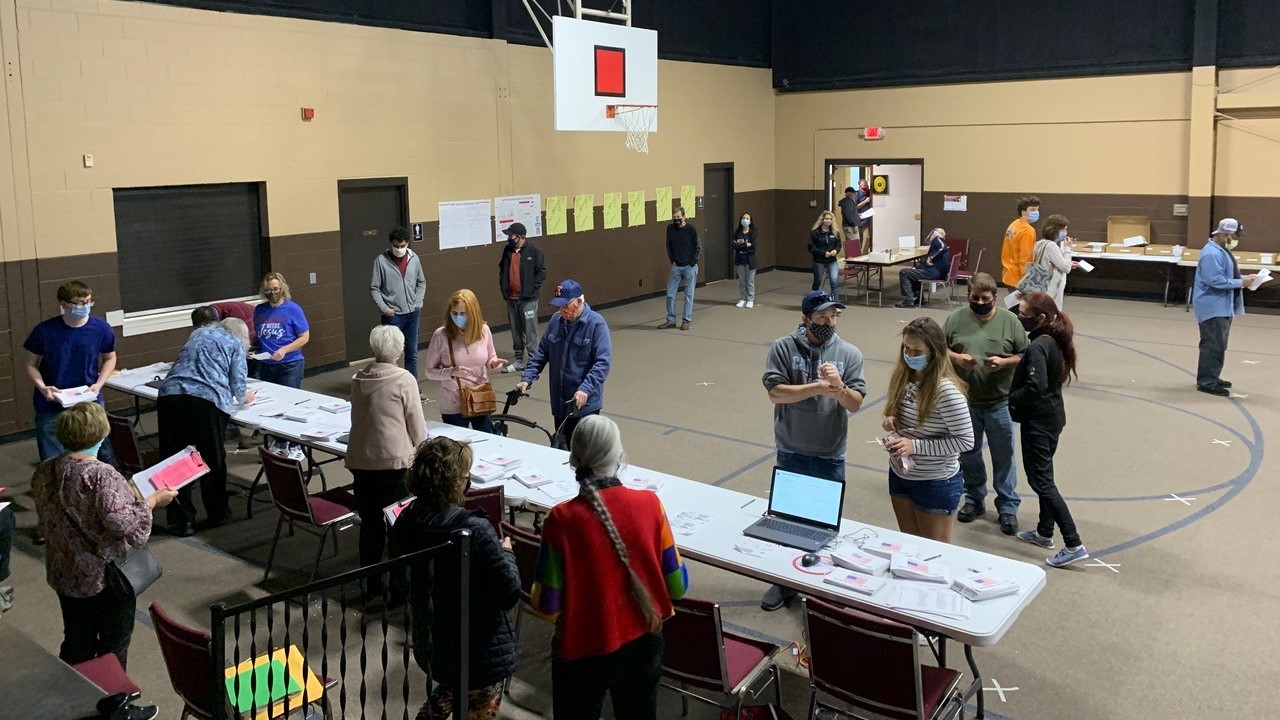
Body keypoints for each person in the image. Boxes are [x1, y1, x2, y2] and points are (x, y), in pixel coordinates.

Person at [531, 415, 689, 720]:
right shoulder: (650, 505)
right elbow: (678, 586)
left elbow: (547, 605)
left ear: (574, 460)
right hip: (644, 646)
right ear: (619, 457)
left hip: (581, 654)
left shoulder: (560, 519)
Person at [31, 402, 176, 668]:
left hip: (65, 569)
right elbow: (121, 523)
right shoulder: (102, 475)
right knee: (114, 642)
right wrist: (153, 501)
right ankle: (114, 703)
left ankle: (75, 700)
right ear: (100, 434)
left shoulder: (46, 470)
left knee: (76, 639)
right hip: (103, 577)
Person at [391, 436, 521, 720]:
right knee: (474, 694)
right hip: (479, 652)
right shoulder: (475, 530)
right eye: (465, 476)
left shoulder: (405, 520)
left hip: (433, 642)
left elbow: (400, 580)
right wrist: (508, 553)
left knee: (453, 684)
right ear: (455, 482)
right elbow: (510, 592)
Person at [759, 290, 867, 611]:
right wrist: (817, 387)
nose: (828, 322)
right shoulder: (782, 347)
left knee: (823, 526)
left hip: (829, 451)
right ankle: (783, 581)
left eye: (834, 316)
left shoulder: (849, 354)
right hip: (791, 448)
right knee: (787, 520)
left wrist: (839, 389)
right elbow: (776, 393)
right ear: (805, 319)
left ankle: (818, 586)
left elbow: (856, 403)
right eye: (821, 317)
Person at [944, 273, 1027, 535]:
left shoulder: (1010, 321)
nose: (979, 302)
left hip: (999, 402)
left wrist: (1004, 363)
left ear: (994, 298)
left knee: (1004, 456)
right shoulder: (955, 320)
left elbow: (1024, 354)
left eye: (985, 299)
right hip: (965, 401)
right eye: (974, 298)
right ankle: (974, 500)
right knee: (969, 454)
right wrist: (957, 358)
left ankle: (1007, 507)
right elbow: (939, 349)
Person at [1010, 292, 1089, 567]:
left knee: (1041, 481)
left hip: (1039, 422)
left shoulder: (1038, 347)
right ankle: (1045, 532)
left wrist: (1010, 399)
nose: (1020, 317)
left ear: (1040, 318)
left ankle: (1073, 542)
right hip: (1053, 418)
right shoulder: (1052, 339)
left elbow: (1036, 386)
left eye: (1023, 313)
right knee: (1046, 476)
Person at [347, 324, 426, 597]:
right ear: (399, 350)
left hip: (361, 462)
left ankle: (370, 586)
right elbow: (416, 423)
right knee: (398, 528)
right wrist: (423, 446)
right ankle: (399, 590)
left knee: (370, 526)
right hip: (395, 466)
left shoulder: (359, 378)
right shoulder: (404, 379)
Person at [157, 317, 254, 537]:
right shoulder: (235, 344)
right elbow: (238, 384)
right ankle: (217, 513)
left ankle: (183, 521)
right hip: (206, 400)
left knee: (174, 462)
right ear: (242, 336)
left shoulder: (198, 333)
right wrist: (245, 396)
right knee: (212, 459)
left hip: (170, 395)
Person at [881, 318, 974, 543]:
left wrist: (915, 445)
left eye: (917, 351)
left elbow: (966, 441)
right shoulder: (905, 377)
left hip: (935, 482)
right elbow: (900, 413)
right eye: (906, 348)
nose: (910, 355)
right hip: (902, 475)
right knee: (910, 547)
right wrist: (891, 418)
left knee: (933, 555)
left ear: (934, 352)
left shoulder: (946, 392)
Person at [23, 280, 118, 466]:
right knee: (52, 460)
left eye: (88, 302)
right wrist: (42, 388)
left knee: (101, 453)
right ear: (63, 303)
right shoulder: (44, 331)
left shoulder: (101, 329)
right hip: (52, 403)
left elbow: (110, 358)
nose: (85, 306)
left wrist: (99, 384)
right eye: (79, 303)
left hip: (89, 401)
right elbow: (30, 365)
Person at [517, 280, 611, 447]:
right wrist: (527, 378)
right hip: (560, 403)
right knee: (561, 449)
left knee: (583, 453)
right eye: (559, 307)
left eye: (566, 307)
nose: (562, 311)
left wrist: (585, 389)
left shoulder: (597, 324)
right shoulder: (556, 321)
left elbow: (602, 363)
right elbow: (542, 353)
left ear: (579, 302)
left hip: (584, 406)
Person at [1193, 218, 1267, 396]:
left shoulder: (1221, 250)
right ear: (1224, 234)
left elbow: (1224, 274)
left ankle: (1211, 375)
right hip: (1212, 307)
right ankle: (1206, 382)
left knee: (1219, 345)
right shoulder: (1211, 253)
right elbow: (1215, 280)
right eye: (1234, 236)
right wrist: (1241, 282)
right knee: (1212, 344)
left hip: (1222, 306)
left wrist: (1244, 277)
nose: (1236, 240)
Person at [425, 289, 507, 433]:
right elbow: (429, 372)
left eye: (463, 314)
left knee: (487, 442)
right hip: (453, 403)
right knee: (457, 450)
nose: (458, 317)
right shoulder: (441, 335)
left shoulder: (484, 331)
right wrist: (452, 372)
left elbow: (490, 358)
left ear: (473, 313)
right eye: (454, 313)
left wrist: (493, 363)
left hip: (480, 399)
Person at [253, 272, 310, 458]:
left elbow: (304, 337)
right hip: (266, 364)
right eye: (268, 290)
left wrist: (285, 350)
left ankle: (295, 445)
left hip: (290, 364)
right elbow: (260, 336)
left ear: (283, 288)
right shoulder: (260, 310)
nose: (272, 293)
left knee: (291, 406)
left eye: (276, 289)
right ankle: (279, 443)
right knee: (273, 407)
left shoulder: (293, 309)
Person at [372, 227, 427, 378]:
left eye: (402, 246)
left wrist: (418, 303)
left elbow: (421, 282)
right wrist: (385, 308)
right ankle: (389, 383)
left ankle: (412, 385)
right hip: (392, 315)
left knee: (412, 352)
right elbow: (375, 289)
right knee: (388, 353)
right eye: (396, 246)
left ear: (407, 243)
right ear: (391, 244)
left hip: (412, 313)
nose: (399, 249)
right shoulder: (381, 261)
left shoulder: (414, 259)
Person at [497, 222, 547, 373]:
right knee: (516, 331)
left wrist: (531, 289)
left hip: (528, 300)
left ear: (519, 237)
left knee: (530, 331)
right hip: (512, 299)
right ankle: (519, 361)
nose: (509, 238)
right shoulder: (507, 251)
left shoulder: (534, 251)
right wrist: (504, 288)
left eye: (511, 235)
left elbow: (542, 272)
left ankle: (534, 362)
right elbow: (502, 271)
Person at [658, 207, 701, 331]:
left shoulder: (691, 229)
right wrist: (673, 260)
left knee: (688, 294)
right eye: (674, 217)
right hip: (676, 266)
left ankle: (686, 321)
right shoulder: (670, 228)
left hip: (690, 266)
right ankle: (670, 320)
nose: (676, 219)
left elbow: (699, 247)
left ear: (684, 217)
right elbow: (668, 245)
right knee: (670, 294)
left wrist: (693, 262)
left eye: (678, 217)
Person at [1030, 214, 1079, 308]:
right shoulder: (1052, 246)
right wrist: (1067, 249)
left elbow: (1055, 262)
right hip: (1051, 285)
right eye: (1063, 229)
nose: (1065, 233)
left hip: (1040, 281)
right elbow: (1066, 268)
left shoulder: (1039, 243)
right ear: (1055, 230)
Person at [895, 227, 952, 308]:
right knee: (915, 272)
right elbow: (927, 264)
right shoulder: (938, 243)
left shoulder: (937, 239)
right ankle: (919, 299)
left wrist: (930, 257)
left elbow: (942, 247)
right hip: (939, 272)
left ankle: (908, 300)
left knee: (904, 272)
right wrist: (917, 268)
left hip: (934, 273)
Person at [1000, 196, 1041, 291]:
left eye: (1037, 210)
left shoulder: (1014, 224)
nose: (1036, 212)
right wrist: (1027, 281)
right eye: (1033, 210)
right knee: (1021, 305)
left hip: (1008, 273)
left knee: (1012, 304)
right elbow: (1026, 259)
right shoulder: (1028, 231)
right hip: (1019, 277)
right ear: (1023, 212)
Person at [807, 210, 843, 293]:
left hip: (832, 261)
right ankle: (815, 299)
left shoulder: (835, 232)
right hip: (819, 261)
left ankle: (834, 302)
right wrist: (823, 253)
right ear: (822, 220)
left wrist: (835, 251)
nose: (828, 221)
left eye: (830, 219)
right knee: (817, 281)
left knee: (834, 282)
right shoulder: (815, 233)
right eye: (826, 219)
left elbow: (838, 245)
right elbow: (811, 248)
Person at [732, 212, 758, 308]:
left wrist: (740, 246)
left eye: (747, 218)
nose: (745, 220)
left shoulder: (753, 233)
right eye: (743, 218)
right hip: (740, 260)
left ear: (750, 221)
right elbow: (734, 245)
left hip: (750, 261)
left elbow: (753, 247)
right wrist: (744, 245)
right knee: (742, 282)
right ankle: (742, 299)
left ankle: (750, 299)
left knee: (750, 282)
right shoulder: (737, 232)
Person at [838, 186, 860, 253]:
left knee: (850, 242)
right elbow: (848, 215)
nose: (855, 194)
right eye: (854, 193)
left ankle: (850, 258)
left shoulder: (846, 202)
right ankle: (853, 259)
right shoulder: (849, 202)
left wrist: (856, 215)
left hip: (847, 225)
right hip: (850, 226)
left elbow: (849, 213)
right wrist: (854, 225)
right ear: (850, 193)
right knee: (854, 244)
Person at [855, 178, 873, 253]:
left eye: (867, 185)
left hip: (867, 220)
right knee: (856, 239)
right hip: (857, 220)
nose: (866, 187)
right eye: (864, 185)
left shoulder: (869, 193)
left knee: (867, 237)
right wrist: (865, 201)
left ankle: (863, 255)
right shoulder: (856, 194)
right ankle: (854, 257)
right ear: (860, 186)